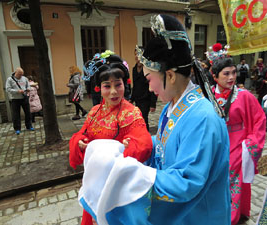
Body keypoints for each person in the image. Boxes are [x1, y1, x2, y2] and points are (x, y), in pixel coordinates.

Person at [77, 14, 231, 225]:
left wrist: (134, 176)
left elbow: (188, 181)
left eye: (149, 78)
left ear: (170, 75)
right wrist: (132, 149)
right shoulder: (173, 107)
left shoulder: (202, 118)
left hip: (199, 215)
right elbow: (166, 148)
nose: (149, 87)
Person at [69, 51, 153, 225]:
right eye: (107, 86)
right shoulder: (94, 112)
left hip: (118, 186)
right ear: (99, 88)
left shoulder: (131, 113)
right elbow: (82, 134)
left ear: (125, 84)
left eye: (118, 84)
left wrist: (129, 147)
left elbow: (144, 142)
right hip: (95, 179)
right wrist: (80, 142)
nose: (114, 92)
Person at [208, 43, 266, 225]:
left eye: (233, 72)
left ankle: (230, 218)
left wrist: (249, 144)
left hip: (237, 145)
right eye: (226, 73)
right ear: (214, 76)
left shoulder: (244, 95)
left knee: (232, 181)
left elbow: (260, 119)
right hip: (215, 144)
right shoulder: (207, 96)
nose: (232, 77)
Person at [130, 47, 157, 131]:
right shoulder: (134, 69)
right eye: (135, 55)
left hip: (146, 99)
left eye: (138, 54)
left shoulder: (148, 69)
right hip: (138, 99)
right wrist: (132, 99)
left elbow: (154, 87)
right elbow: (135, 85)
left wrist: (153, 104)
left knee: (144, 119)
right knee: (138, 118)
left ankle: (146, 135)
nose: (136, 57)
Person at [6, 67, 34, 135]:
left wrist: (28, 89)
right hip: (15, 99)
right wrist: (17, 91)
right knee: (16, 114)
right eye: (19, 74)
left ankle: (29, 126)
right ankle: (17, 128)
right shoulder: (10, 79)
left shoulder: (24, 78)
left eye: (22, 74)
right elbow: (8, 89)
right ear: (16, 73)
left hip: (24, 97)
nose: (21, 76)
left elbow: (28, 86)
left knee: (28, 113)